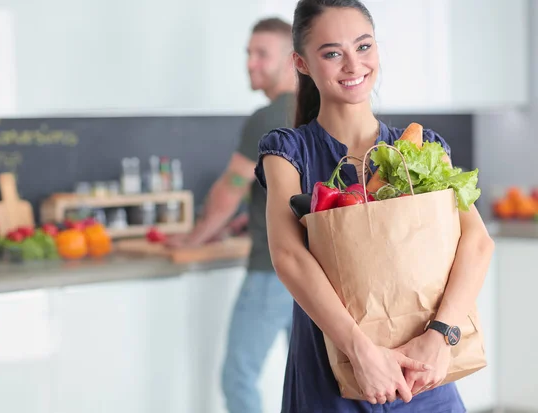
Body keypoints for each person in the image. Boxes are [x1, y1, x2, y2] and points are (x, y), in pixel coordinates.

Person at [253, 1, 495, 412]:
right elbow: (289, 255)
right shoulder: (288, 152)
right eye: (332, 53)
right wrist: (360, 351)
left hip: (425, 375)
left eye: (363, 46)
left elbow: (476, 242)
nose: (353, 64)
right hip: (333, 382)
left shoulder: (422, 147)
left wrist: (440, 337)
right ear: (302, 63)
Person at [165, 17, 297, 413]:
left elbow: (230, 189)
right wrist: (253, 215)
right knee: (308, 378)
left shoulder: (267, 116)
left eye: (262, 54)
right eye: (248, 53)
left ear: (292, 59)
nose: (251, 63)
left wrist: (195, 236)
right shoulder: (316, 108)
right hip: (314, 269)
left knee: (238, 377)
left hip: (270, 269)